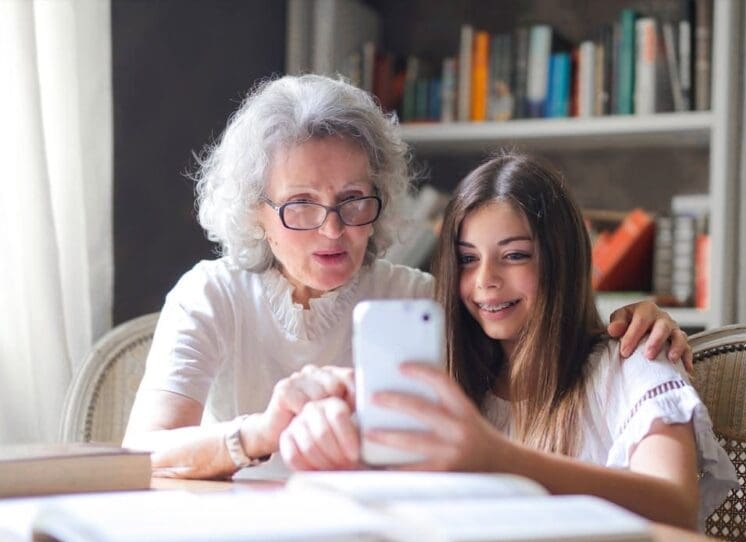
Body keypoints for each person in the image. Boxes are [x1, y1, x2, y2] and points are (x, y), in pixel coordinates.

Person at [122, 74, 692, 480]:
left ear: (383, 196)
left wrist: (639, 320)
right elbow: (143, 452)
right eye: (301, 205)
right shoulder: (211, 293)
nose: (333, 230)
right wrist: (261, 433)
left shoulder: (422, 301)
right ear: (255, 212)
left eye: (353, 200)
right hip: (234, 540)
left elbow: (538, 339)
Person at [279, 153, 739, 530]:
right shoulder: (453, 379)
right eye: (467, 260)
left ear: (561, 260)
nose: (485, 282)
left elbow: (676, 507)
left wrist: (497, 458)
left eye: (514, 256)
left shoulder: (633, 361)